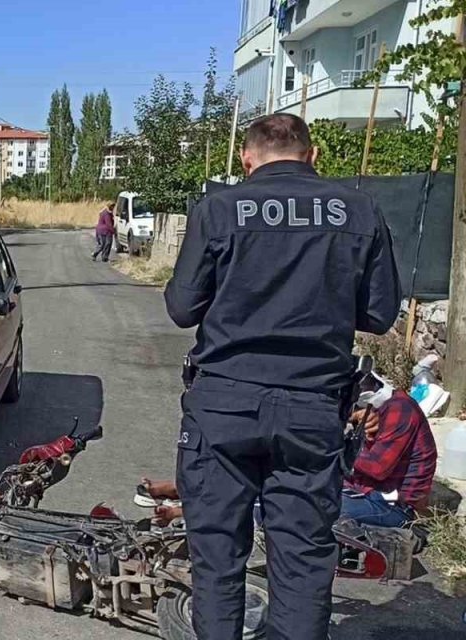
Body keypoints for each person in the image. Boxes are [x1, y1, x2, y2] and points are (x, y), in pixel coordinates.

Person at [163, 114, 400, 640]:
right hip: (313, 408)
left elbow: (181, 308)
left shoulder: (219, 208)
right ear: (312, 156)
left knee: (218, 557)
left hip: (223, 406)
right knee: (302, 562)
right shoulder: (359, 210)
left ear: (246, 161)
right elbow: (380, 316)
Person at [344, 375, 438, 527]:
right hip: (369, 494)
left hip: (395, 508)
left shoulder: (400, 408)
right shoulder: (375, 411)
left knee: (320, 505)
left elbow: (376, 468)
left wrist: (335, 446)